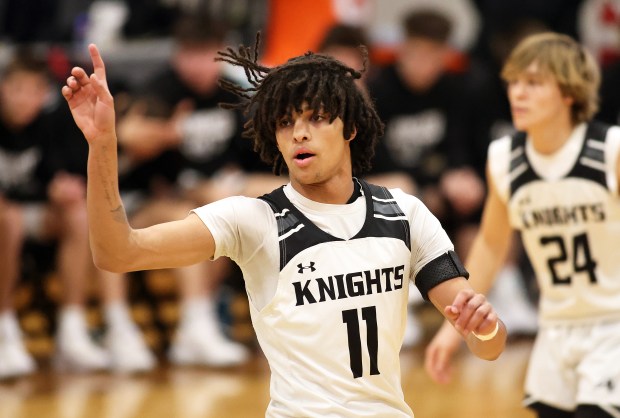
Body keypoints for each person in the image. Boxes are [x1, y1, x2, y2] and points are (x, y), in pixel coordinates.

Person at [63, 38, 507, 417]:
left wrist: (484, 326)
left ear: (349, 127)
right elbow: (118, 253)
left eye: (315, 118)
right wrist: (103, 146)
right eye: (285, 123)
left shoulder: (403, 213)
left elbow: (488, 345)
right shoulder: (252, 219)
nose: (298, 133)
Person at [425, 32, 620, 418]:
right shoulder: (503, 159)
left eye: (533, 83)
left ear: (568, 93)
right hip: (556, 328)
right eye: (514, 82)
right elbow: (491, 247)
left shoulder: (610, 150)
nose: (518, 93)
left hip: (613, 326)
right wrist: (453, 330)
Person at [0, 47, 112, 378]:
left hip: (30, 215)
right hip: (8, 218)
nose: (25, 99)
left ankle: (72, 329)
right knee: (9, 219)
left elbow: (59, 176)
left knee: (78, 213)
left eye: (34, 90)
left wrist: (60, 187)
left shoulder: (52, 123)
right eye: (17, 89)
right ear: (3, 88)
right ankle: (5, 327)